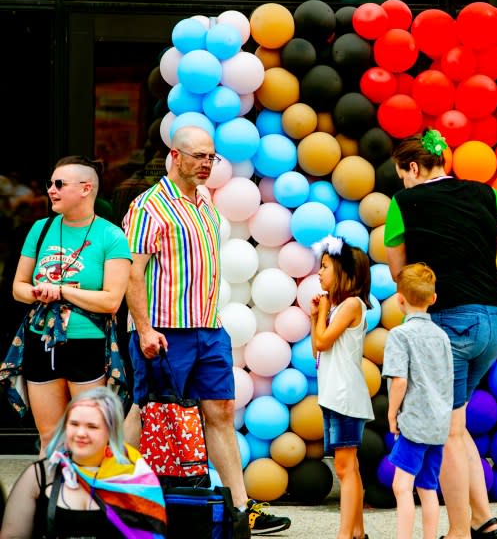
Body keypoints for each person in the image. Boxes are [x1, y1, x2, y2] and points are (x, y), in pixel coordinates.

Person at [121, 126, 290, 536]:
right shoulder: (149, 207)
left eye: (210, 158)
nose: (206, 165)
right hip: (165, 330)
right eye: (198, 156)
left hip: (209, 329)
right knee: (146, 412)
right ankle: (111, 495)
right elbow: (132, 273)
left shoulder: (206, 204)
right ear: (174, 156)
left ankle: (238, 508)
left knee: (221, 412)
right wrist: (143, 328)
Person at [385, 129, 497, 539]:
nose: (403, 182)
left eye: (403, 174)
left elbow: (400, 273)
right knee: (458, 422)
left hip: (448, 323)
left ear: (413, 167)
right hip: (493, 322)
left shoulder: (404, 203)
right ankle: (482, 518)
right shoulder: (487, 194)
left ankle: (456, 531)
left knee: (448, 431)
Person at [1, 156, 131, 455]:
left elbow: (112, 301)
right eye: (50, 183)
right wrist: (39, 293)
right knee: (49, 435)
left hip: (87, 343)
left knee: (89, 436)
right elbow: (18, 288)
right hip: (40, 340)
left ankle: (84, 499)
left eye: (59, 184)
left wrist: (59, 291)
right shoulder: (41, 229)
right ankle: (50, 498)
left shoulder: (110, 236)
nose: (51, 190)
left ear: (86, 189)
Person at [0, 386, 167, 538]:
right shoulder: (40, 475)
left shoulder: (134, 479)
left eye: (92, 427)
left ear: (110, 433)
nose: (81, 433)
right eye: (74, 424)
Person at [381, 263, 453, 539]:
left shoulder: (400, 335)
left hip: (414, 422)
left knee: (401, 486)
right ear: (433, 299)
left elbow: (399, 380)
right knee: (428, 487)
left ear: (399, 299)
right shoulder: (442, 336)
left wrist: (391, 413)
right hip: (438, 424)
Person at [310, 235, 374, 539]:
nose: (319, 273)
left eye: (325, 267)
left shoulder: (350, 304)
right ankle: (357, 532)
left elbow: (322, 341)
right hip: (335, 395)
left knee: (345, 469)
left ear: (346, 273)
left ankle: (345, 535)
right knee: (349, 468)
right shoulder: (339, 308)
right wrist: (316, 316)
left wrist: (322, 311)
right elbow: (318, 350)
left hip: (345, 397)